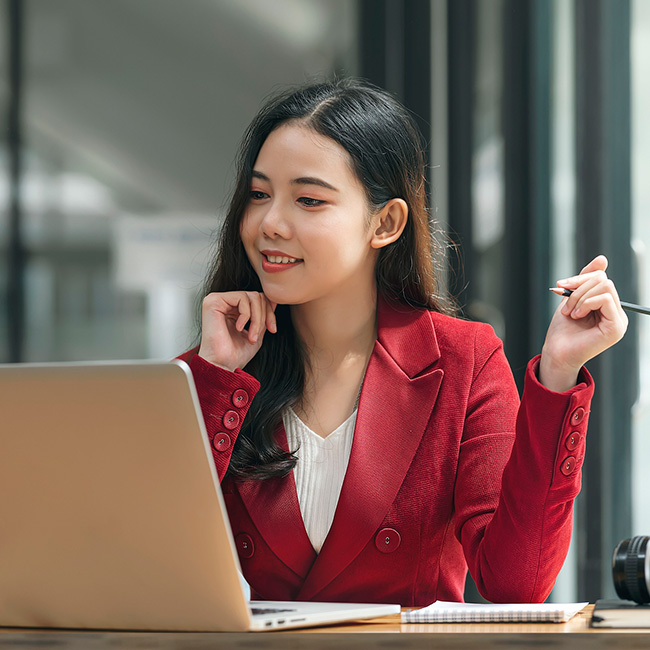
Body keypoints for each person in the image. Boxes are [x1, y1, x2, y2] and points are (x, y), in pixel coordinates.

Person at [178, 78, 627, 606]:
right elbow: (146, 562)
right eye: (258, 195)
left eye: (308, 199)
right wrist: (214, 377)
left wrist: (557, 374)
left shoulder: (464, 360)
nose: (270, 223)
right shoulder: (211, 371)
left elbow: (517, 583)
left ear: (385, 223)